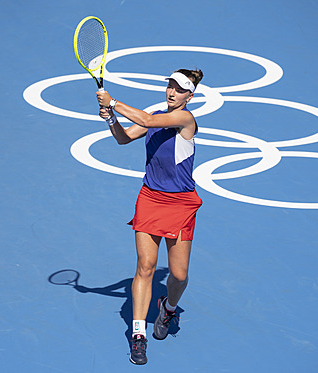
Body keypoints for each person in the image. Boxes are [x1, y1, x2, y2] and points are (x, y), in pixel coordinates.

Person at [96, 69, 204, 365]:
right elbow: (123, 138)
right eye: (170, 86)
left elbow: (145, 121)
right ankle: (139, 336)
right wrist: (110, 118)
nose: (172, 92)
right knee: (146, 266)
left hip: (180, 204)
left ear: (189, 97)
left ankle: (167, 307)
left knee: (179, 276)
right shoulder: (155, 114)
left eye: (179, 89)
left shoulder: (184, 119)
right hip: (151, 198)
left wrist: (114, 101)